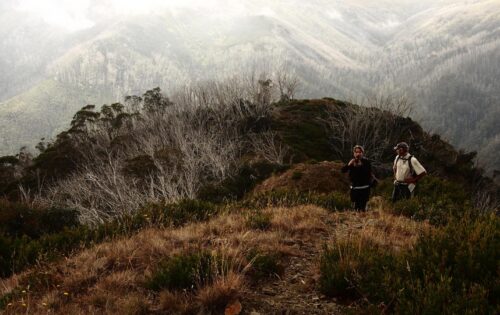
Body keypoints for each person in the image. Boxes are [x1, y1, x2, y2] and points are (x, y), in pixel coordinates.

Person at [341, 145, 375, 211]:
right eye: (356, 152)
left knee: (363, 209)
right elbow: (343, 170)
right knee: (355, 208)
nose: (358, 154)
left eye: (359, 152)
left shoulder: (366, 162)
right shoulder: (352, 161)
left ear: (362, 153)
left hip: (364, 189)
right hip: (355, 189)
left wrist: (361, 166)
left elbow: (368, 173)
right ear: (354, 153)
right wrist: (348, 165)